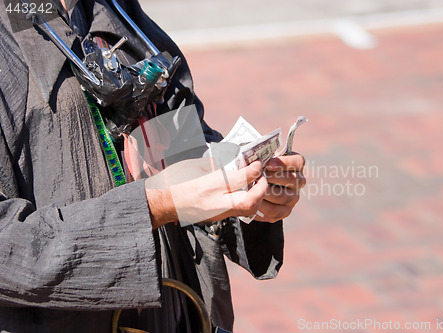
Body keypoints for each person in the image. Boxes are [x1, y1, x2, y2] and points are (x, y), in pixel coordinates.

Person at [0, 0, 306, 332]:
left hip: (175, 311)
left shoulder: (111, 9)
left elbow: (180, 145)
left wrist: (242, 188)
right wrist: (153, 204)